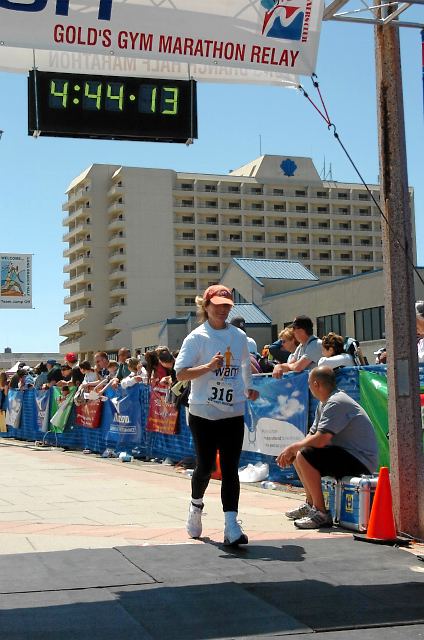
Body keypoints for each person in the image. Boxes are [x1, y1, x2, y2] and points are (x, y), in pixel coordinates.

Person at [175, 284, 259, 547]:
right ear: (206, 306)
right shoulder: (196, 338)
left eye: (227, 306)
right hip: (203, 412)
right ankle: (195, 506)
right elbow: (180, 373)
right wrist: (208, 366)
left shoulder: (239, 336)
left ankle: (231, 525)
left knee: (231, 469)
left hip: (233, 411)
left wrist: (249, 387)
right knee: (206, 466)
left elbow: (245, 364)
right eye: (218, 305)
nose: (222, 310)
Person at [276, 366, 378, 529]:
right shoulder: (324, 404)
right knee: (298, 453)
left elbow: (321, 440)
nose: (309, 388)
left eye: (309, 385)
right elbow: (312, 435)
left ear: (316, 384)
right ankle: (311, 505)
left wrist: (295, 447)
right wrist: (292, 450)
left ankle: (321, 513)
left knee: (304, 453)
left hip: (361, 461)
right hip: (347, 455)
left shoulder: (336, 402)